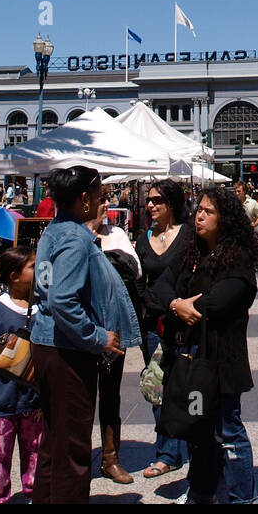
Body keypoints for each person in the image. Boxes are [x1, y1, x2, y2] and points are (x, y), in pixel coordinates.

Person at [30, 166, 140, 504]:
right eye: (98, 194)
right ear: (83, 199)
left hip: (47, 343)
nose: (101, 199)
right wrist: (96, 337)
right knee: (73, 448)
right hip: (67, 350)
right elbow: (62, 299)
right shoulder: (75, 237)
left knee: (53, 440)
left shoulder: (54, 230)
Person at [164, 186, 258, 504]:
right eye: (199, 209)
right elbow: (159, 286)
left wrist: (182, 306)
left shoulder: (238, 260)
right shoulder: (191, 252)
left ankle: (241, 497)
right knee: (198, 427)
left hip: (221, 362)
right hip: (192, 362)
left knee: (226, 429)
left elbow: (217, 304)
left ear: (225, 219)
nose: (200, 215)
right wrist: (176, 304)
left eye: (208, 211)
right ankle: (202, 489)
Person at [0, 246, 44, 503]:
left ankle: (36, 495)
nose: (38, 271)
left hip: (34, 402)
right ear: (14, 276)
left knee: (36, 454)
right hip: (1, 401)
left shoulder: (42, 309)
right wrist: (4, 351)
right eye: (32, 267)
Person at [135, 179, 191, 479]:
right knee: (157, 387)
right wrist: (152, 304)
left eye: (157, 200)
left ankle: (192, 446)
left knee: (185, 385)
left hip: (184, 322)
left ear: (172, 203)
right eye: (149, 200)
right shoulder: (143, 240)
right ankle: (167, 452)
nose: (151, 205)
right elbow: (138, 281)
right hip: (153, 323)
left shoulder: (189, 236)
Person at [92, 192, 140, 485]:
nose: (106, 205)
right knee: (79, 396)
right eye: (101, 200)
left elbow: (134, 270)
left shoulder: (117, 233)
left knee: (110, 393)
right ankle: (76, 457)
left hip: (111, 329)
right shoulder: (70, 233)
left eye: (107, 199)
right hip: (79, 331)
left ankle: (111, 457)